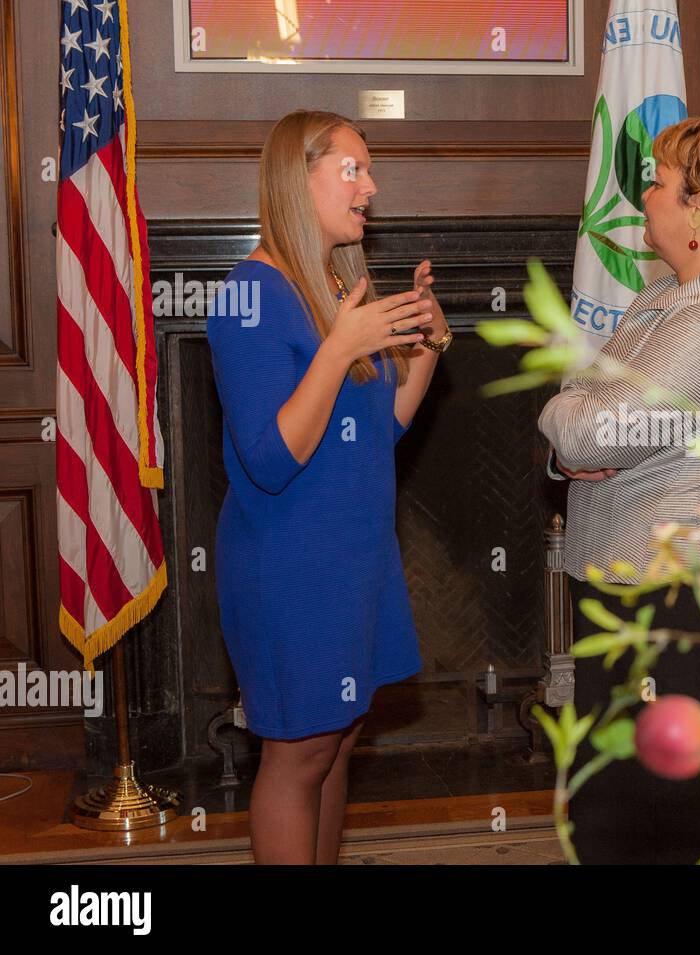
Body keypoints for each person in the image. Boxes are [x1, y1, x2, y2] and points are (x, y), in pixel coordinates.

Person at [538, 117, 700, 864]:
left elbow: (585, 429)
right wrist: (575, 425)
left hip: (685, 598)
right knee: (612, 804)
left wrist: (573, 425)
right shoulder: (659, 300)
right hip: (627, 584)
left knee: (676, 816)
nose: (644, 195)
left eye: (656, 180)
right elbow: (578, 404)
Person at [207, 110, 451, 864]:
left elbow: (381, 430)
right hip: (290, 571)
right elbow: (272, 456)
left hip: (353, 564)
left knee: (337, 745)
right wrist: (339, 347)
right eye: (353, 169)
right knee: (298, 755)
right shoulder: (248, 296)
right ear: (298, 176)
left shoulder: (334, 289)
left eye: (367, 170)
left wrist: (429, 347)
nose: (370, 186)